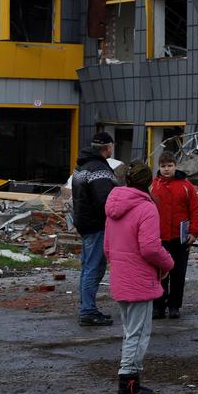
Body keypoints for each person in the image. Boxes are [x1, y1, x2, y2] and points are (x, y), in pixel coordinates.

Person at [104, 160, 175, 394]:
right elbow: (150, 248)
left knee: (129, 331)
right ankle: (129, 384)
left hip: (120, 275)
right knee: (138, 333)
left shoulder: (113, 206)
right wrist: (168, 264)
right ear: (149, 183)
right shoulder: (146, 208)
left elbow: (107, 246)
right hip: (140, 278)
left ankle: (129, 381)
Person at [72, 130, 119, 326]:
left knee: (87, 266)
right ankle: (88, 310)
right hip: (97, 225)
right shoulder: (100, 170)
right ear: (107, 147)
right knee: (94, 267)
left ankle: (87, 306)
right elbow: (106, 201)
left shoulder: (81, 167)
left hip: (84, 223)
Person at [150, 153, 198, 320]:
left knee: (178, 274)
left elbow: (195, 209)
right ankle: (158, 306)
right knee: (160, 274)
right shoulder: (152, 187)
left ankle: (174, 306)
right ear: (159, 167)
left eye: (170, 165)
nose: (166, 169)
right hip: (160, 238)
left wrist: (194, 232)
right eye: (163, 166)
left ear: (175, 166)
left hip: (181, 238)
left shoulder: (187, 186)